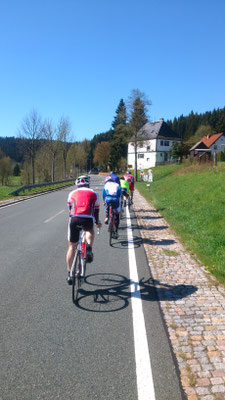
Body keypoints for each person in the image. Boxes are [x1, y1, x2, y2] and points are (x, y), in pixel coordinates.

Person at [66, 175, 102, 285]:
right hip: (87, 219)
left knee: (71, 247)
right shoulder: (94, 193)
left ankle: (69, 274)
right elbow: (95, 211)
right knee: (89, 231)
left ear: (77, 185)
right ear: (88, 184)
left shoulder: (71, 193)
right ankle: (89, 248)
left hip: (74, 219)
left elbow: (70, 209)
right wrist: (97, 222)